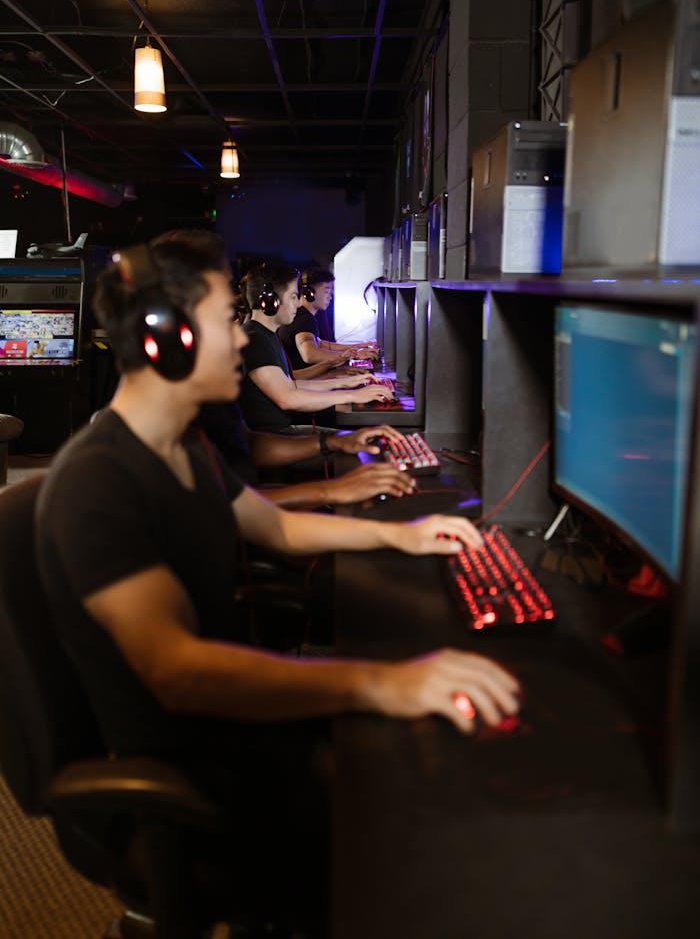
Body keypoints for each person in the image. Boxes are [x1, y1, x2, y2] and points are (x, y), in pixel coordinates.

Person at [35, 231, 520, 934]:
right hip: (192, 768)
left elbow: (277, 527)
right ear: (160, 339)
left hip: (237, 728)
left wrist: (401, 534)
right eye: (225, 319)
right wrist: (381, 682)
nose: (241, 340)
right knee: (435, 815)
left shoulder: (177, 447)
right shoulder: (100, 484)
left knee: (442, 759)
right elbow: (177, 673)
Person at [239, 261, 393, 432]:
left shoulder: (266, 335)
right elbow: (288, 397)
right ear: (270, 302)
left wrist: (348, 382)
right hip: (275, 438)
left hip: (284, 430)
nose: (298, 303)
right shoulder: (254, 340)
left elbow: (292, 385)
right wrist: (352, 394)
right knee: (361, 447)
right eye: (293, 297)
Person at [198, 400, 416, 509]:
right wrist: (330, 490)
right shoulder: (175, 430)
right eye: (227, 323)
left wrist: (335, 441)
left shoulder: (214, 402)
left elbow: (250, 444)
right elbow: (230, 507)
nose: (240, 338)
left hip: (259, 503)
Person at [278, 267, 377, 373]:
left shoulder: (303, 316)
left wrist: (358, 347)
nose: (330, 296)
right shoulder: (304, 319)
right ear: (309, 293)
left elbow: (320, 344)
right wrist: (354, 356)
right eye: (327, 290)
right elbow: (310, 354)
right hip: (304, 382)